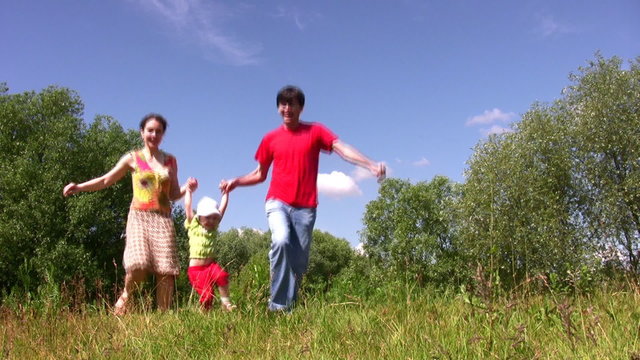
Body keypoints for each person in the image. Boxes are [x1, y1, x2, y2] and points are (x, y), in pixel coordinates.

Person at [219, 85, 385, 312]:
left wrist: (370, 165)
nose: (287, 109)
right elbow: (260, 174)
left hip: (306, 208)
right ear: (278, 108)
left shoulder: (315, 131)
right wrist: (236, 181)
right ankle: (276, 307)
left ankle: (289, 307)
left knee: (298, 263)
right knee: (281, 240)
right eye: (283, 104)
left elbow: (341, 149)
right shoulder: (270, 139)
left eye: (292, 104)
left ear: (301, 108)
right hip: (278, 201)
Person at [63, 113, 185, 315]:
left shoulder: (170, 161)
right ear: (142, 132)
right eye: (150, 130)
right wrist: (79, 187)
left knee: (166, 271)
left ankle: (164, 319)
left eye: (158, 131)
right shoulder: (133, 159)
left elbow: (173, 194)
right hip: (139, 216)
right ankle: (126, 295)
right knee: (138, 263)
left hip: (163, 219)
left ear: (163, 134)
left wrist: (188, 189)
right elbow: (105, 180)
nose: (154, 134)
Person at [182, 177, 236, 311]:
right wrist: (189, 190)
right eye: (207, 217)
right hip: (196, 270)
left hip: (210, 266)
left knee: (222, 276)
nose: (211, 221)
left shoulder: (213, 229)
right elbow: (188, 207)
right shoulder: (193, 226)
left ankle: (226, 303)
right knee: (207, 296)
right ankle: (205, 315)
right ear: (199, 217)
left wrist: (225, 194)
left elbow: (222, 209)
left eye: (214, 217)